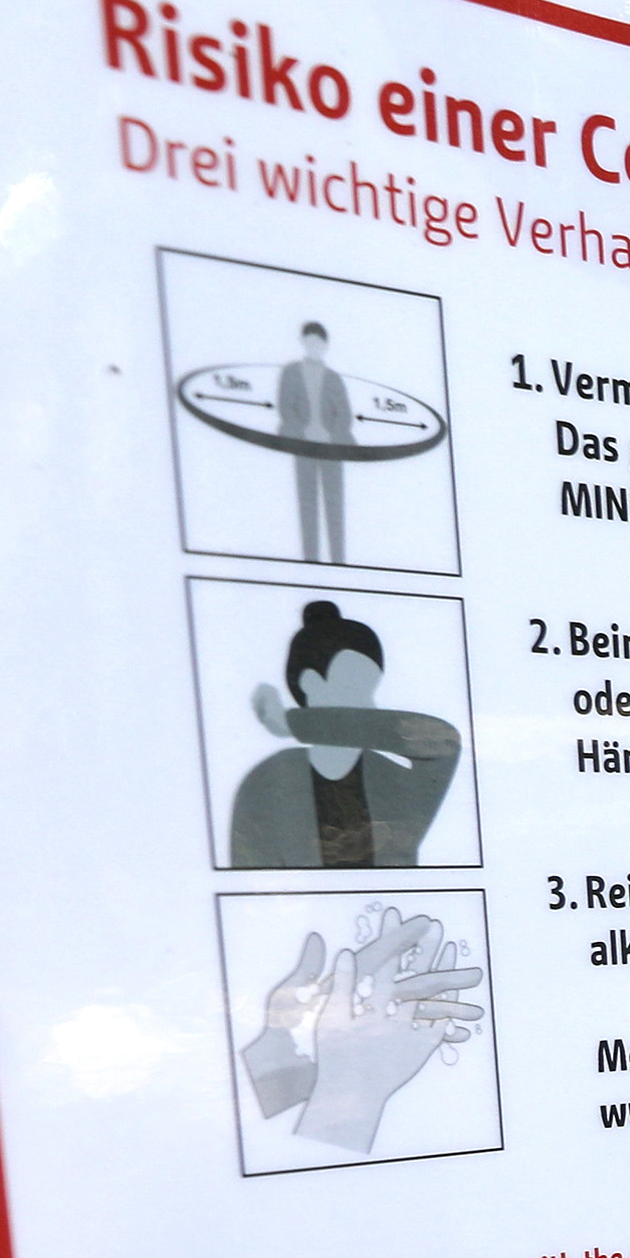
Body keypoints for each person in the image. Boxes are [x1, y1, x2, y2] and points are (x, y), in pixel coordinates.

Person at [226, 598, 462, 868]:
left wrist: (292, 722)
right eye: (354, 688)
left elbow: (442, 741)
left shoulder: (392, 783)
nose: (369, 707)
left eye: (371, 690)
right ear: (310, 683)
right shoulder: (268, 783)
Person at [277, 319, 351, 563]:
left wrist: (333, 435)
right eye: (309, 343)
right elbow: (285, 407)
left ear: (325, 346)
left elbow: (345, 414)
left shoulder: (334, 378)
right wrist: (301, 431)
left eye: (318, 343)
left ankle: (339, 561)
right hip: (304, 446)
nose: (314, 347)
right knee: (307, 502)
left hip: (332, 449)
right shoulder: (291, 373)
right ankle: (311, 561)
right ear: (303, 343)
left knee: (335, 505)